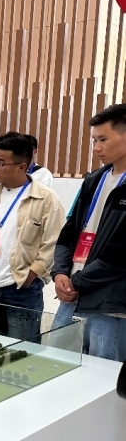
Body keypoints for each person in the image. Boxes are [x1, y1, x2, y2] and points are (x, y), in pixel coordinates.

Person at [0, 133, 64, 342]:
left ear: (22, 166)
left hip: (20, 288)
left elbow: (52, 244)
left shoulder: (46, 199)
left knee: (23, 352)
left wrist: (31, 275)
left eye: (1, 163)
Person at [52, 104, 126, 361]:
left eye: (103, 139)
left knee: (102, 376)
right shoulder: (94, 179)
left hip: (110, 303)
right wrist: (60, 273)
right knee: (56, 364)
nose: (96, 148)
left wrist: (76, 282)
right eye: (94, 140)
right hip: (71, 294)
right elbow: (68, 233)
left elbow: (120, 255)